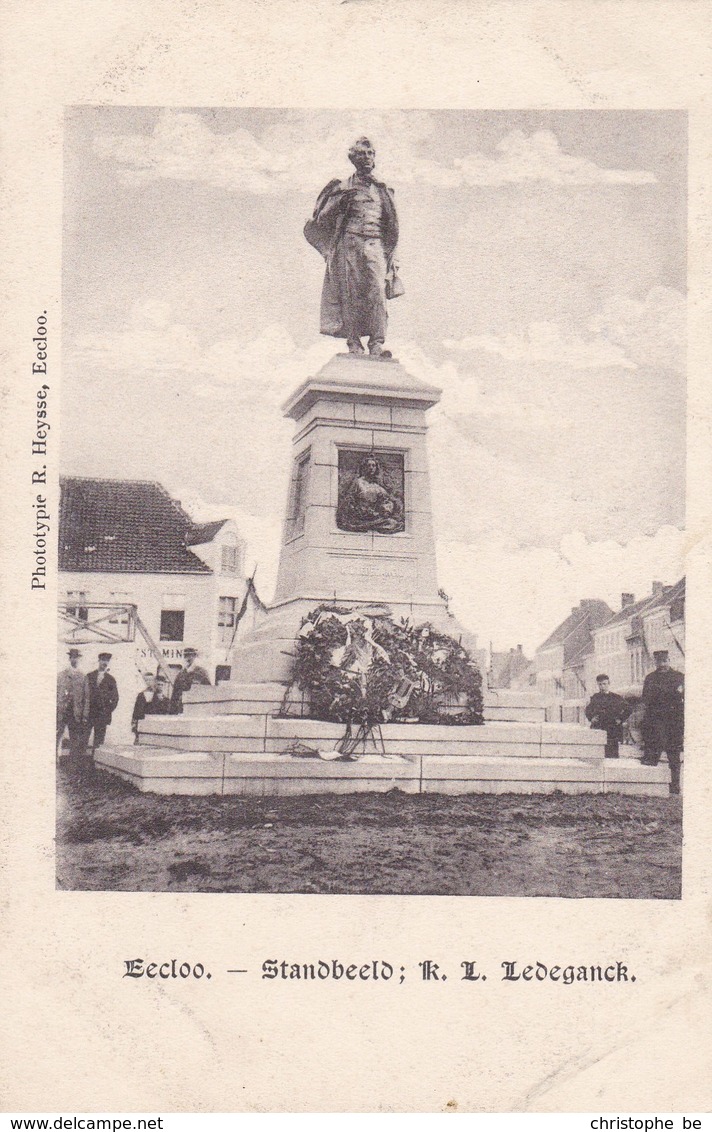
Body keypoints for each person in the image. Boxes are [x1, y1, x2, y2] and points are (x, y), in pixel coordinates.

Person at [304, 136, 401, 358]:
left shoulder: (383, 190)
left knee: (377, 293)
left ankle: (377, 343)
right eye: (361, 154)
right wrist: (339, 203)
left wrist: (392, 257)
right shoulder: (341, 188)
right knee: (350, 294)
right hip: (349, 245)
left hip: (375, 245)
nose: (366, 158)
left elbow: (392, 227)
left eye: (370, 154)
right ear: (353, 159)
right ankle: (354, 343)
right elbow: (320, 219)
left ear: (374, 158)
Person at [640, 650, 684, 794]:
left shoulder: (679, 677)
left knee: (674, 754)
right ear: (655, 663)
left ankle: (675, 785)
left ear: (669, 660)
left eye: (665, 661)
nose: (662, 664)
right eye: (659, 662)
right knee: (653, 752)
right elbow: (646, 699)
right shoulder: (650, 678)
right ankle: (653, 786)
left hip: (674, 721)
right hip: (656, 721)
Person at [337, 454, 404, 533]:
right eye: (368, 465)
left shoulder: (377, 486)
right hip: (359, 516)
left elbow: (387, 500)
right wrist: (357, 510)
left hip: (374, 516)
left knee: (393, 523)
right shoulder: (358, 482)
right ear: (364, 467)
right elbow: (349, 500)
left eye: (373, 466)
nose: (371, 468)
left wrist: (386, 510)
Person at [584, 674, 632, 759]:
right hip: (599, 727)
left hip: (612, 729)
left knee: (612, 756)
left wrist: (620, 719)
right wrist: (591, 718)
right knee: (598, 755)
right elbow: (587, 710)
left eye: (604, 684)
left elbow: (628, 709)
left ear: (609, 683)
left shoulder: (616, 697)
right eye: (600, 684)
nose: (602, 686)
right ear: (598, 684)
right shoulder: (595, 697)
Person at [56, 648, 90, 763]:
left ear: (78, 659)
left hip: (75, 713)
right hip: (62, 711)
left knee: (74, 737)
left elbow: (86, 697)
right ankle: (55, 757)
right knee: (58, 734)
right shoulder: (61, 675)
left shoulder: (82, 676)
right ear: (69, 658)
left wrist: (84, 714)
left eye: (76, 657)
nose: (74, 659)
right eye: (72, 657)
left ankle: (73, 760)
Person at [86, 652, 120, 753]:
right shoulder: (90, 676)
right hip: (89, 714)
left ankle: (94, 766)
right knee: (83, 739)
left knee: (98, 743)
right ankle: (81, 766)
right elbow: (84, 695)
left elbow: (115, 698)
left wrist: (107, 710)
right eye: (103, 660)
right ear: (99, 661)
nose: (105, 662)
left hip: (102, 716)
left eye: (107, 660)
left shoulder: (110, 679)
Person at [169, 647, 211, 714]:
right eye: (186, 656)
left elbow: (208, 691)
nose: (188, 658)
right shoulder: (180, 675)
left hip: (196, 708)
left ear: (194, 656)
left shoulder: (201, 673)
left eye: (191, 655)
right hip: (181, 708)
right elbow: (174, 696)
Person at [131, 672, 171, 741]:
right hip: (144, 724)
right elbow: (137, 712)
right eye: (146, 680)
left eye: (151, 680)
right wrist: (135, 725)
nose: (149, 682)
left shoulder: (163, 698)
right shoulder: (142, 695)